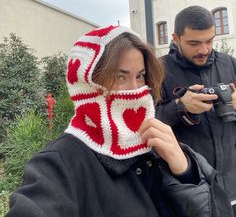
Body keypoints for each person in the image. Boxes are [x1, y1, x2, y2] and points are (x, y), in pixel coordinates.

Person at [6, 25, 233, 217]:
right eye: (120, 76)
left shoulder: (153, 146)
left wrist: (185, 171)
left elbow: (218, 209)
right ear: (88, 84)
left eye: (140, 76)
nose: (135, 89)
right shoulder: (59, 163)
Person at [155, 5, 236, 215]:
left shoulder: (230, 64)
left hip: (232, 188)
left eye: (209, 40)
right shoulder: (158, 71)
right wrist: (180, 107)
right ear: (175, 37)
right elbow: (144, 124)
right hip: (189, 193)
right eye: (194, 43)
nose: (204, 49)